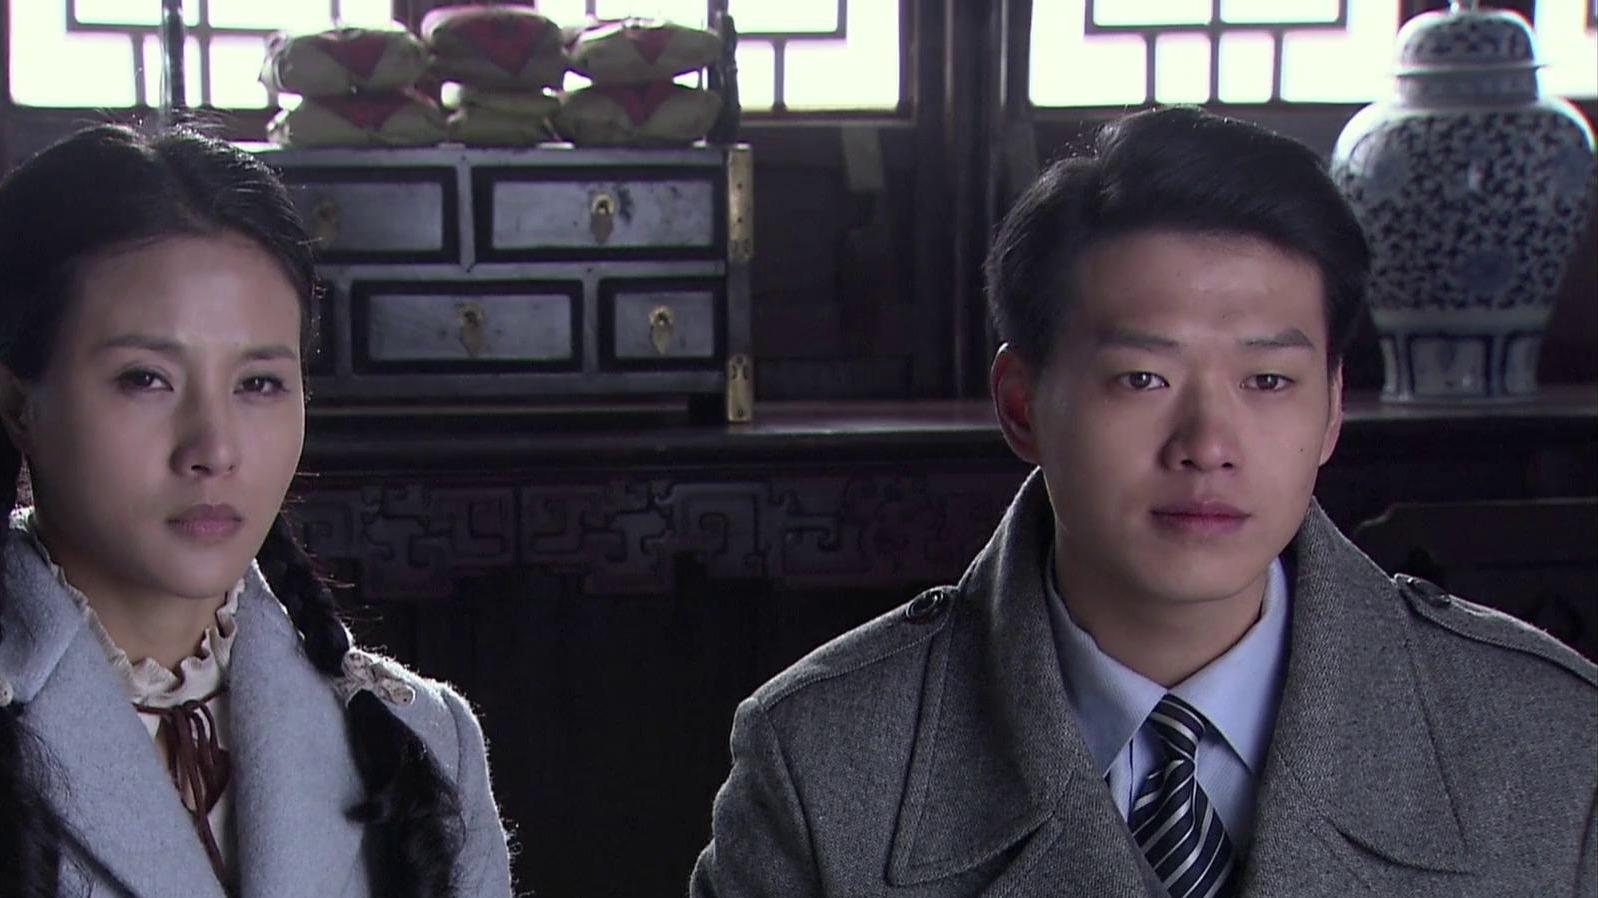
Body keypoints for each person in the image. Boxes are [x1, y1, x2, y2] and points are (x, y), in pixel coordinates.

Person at [690, 106, 1597, 898]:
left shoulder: (1546, 740)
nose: (1207, 444)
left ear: (1331, 411)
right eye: (1142, 378)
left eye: (1268, 380)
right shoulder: (824, 760)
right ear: (1022, 405)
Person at [0, 125, 515, 898]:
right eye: (146, 379)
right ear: (19, 403)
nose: (213, 448)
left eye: (259, 384)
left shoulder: (418, 738)